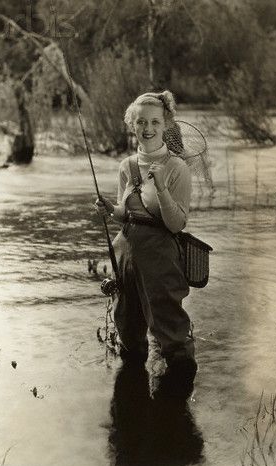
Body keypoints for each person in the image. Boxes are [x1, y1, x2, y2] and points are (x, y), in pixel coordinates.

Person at [94, 90, 197, 388]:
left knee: (168, 322)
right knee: (127, 323)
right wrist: (108, 210)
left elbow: (177, 224)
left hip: (161, 254)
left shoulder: (177, 167)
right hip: (126, 250)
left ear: (165, 125)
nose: (148, 129)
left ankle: (176, 398)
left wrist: (162, 187)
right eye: (141, 122)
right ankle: (132, 404)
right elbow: (125, 214)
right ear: (132, 125)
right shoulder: (126, 166)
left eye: (154, 122)